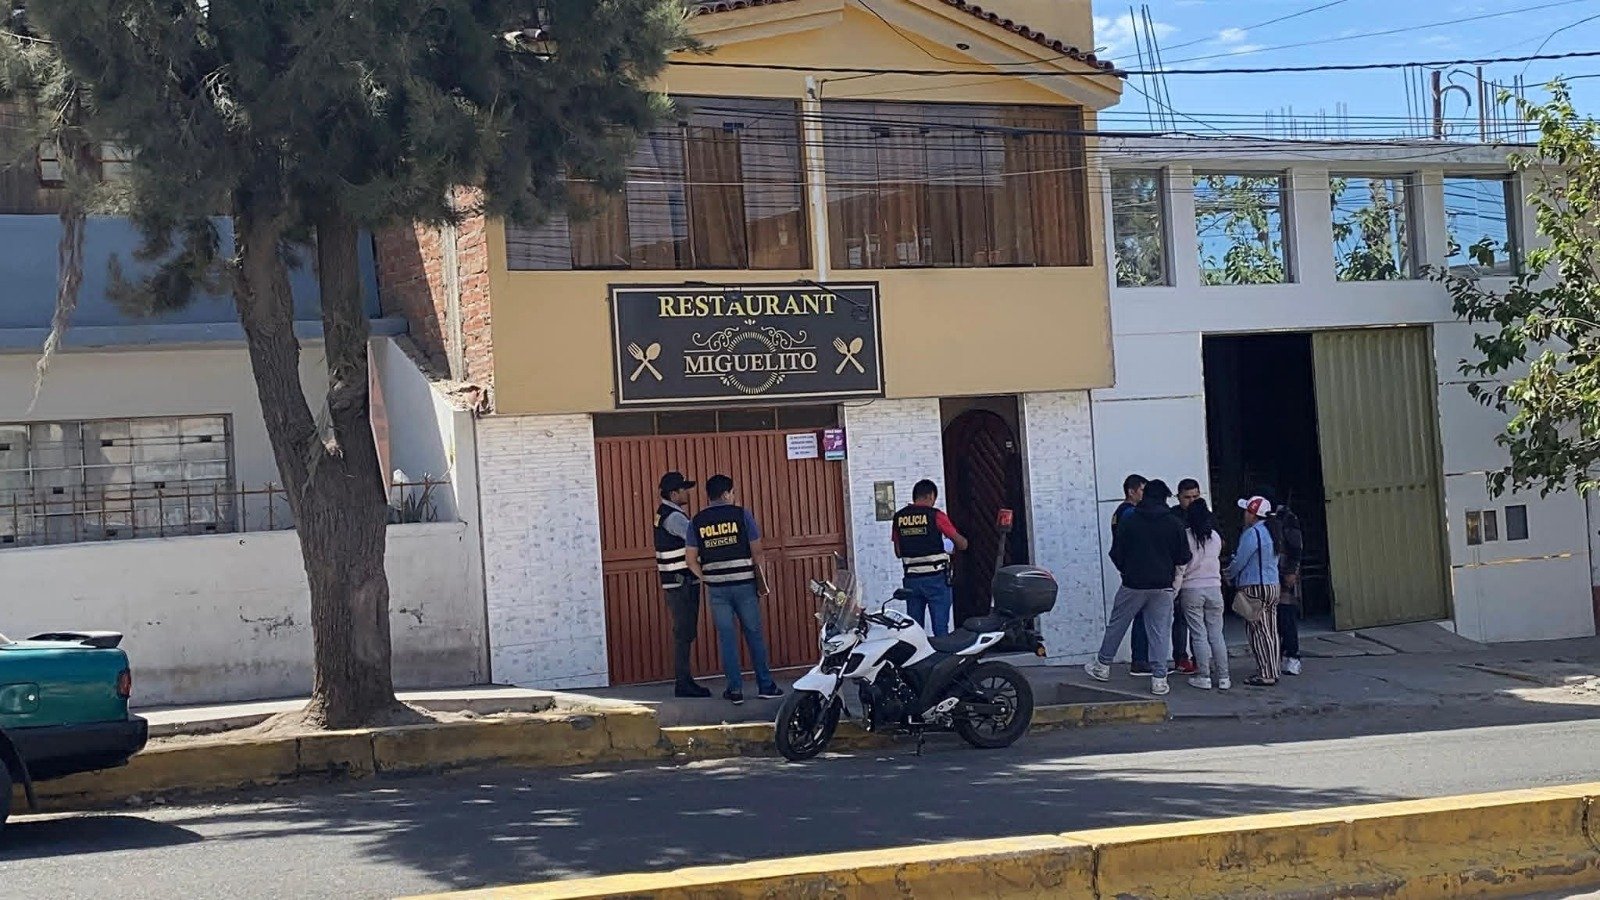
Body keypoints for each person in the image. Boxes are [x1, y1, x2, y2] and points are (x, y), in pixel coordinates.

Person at [685, 474, 783, 706]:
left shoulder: (697, 521)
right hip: (744, 585)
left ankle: (735, 690)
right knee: (754, 635)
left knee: (727, 638)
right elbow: (757, 551)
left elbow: (690, 560)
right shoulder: (741, 515)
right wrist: (761, 580)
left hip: (718, 589)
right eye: (733, 492)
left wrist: (707, 577)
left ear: (709, 495)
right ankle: (766, 685)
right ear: (727, 493)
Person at [1088, 479, 1191, 695]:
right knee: (1159, 632)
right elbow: (1183, 557)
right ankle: (1159, 679)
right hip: (1163, 585)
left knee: (1117, 624)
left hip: (1133, 583)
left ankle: (1103, 666)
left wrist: (1127, 571)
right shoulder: (1174, 523)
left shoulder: (1129, 519)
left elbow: (1116, 552)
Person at [654, 471, 710, 698]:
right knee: (684, 633)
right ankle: (683, 683)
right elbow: (696, 539)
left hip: (677, 583)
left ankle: (685, 681)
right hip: (682, 583)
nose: (687, 492)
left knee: (684, 633)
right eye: (684, 489)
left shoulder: (666, 513)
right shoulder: (674, 517)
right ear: (673, 493)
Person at [891, 479, 969, 636]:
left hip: (911, 581)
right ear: (931, 496)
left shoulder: (899, 518)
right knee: (940, 628)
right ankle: (941, 659)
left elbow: (898, 552)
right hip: (936, 581)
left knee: (914, 630)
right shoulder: (936, 516)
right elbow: (961, 544)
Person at [1226, 495, 1282, 687]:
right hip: (1273, 585)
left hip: (1255, 587)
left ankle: (1266, 673)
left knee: (1258, 631)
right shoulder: (1272, 532)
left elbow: (1240, 561)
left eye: (1247, 511)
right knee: (1271, 630)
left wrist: (1228, 574)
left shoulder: (1252, 534)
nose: (1244, 515)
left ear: (1253, 514)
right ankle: (1273, 668)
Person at [1176, 499, 1229, 690]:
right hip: (1214, 588)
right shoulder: (1215, 537)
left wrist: (1175, 590)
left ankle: (1204, 675)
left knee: (1198, 634)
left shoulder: (1186, 537)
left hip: (1191, 589)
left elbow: (1181, 567)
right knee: (1216, 634)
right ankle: (1224, 677)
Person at [1260, 485, 1307, 677]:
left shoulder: (1287, 518)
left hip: (1284, 573)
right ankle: (1276, 656)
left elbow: (1296, 547)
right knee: (1273, 618)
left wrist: (1291, 571)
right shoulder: (1265, 519)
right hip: (1270, 574)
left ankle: (1293, 656)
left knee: (1286, 616)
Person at [1112, 474, 1152, 676]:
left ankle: (1142, 658)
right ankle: (1140, 659)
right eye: (1143, 490)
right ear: (1132, 491)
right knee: (1141, 615)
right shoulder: (1130, 514)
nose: (1145, 495)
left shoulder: (1121, 513)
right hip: (1136, 573)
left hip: (1130, 571)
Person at [1167, 477, 1205, 675]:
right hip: (1179, 575)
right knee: (1180, 620)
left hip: (1200, 576)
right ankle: (1181, 657)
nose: (1192, 501)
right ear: (1178, 497)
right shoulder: (1173, 517)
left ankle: (1199, 658)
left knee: (1199, 622)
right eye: (1187, 497)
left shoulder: (1205, 516)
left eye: (1196, 497)